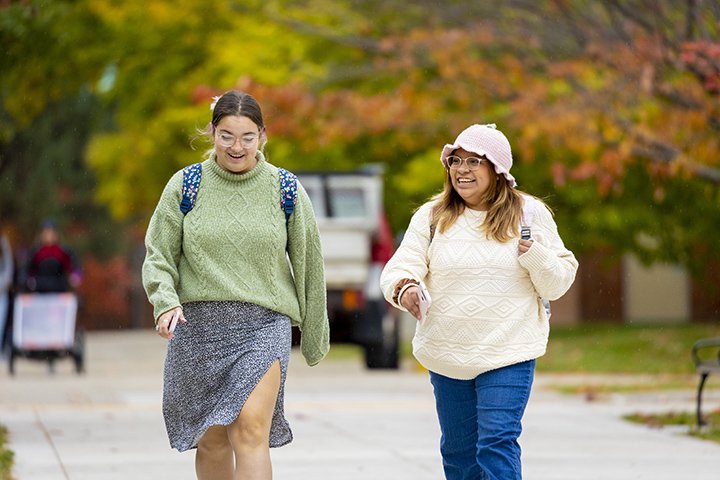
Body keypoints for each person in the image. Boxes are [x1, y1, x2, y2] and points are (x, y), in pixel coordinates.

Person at [142, 90, 329, 480]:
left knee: (249, 429)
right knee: (210, 439)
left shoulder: (285, 189)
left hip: (263, 325)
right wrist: (165, 303)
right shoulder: (185, 186)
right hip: (198, 329)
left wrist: (314, 335)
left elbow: (309, 263)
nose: (237, 146)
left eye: (247, 136)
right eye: (227, 135)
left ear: (262, 135)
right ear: (212, 132)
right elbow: (158, 254)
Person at [380, 123, 578, 480]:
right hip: (448, 351)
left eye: (474, 162)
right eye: (456, 161)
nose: (462, 170)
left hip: (508, 350)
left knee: (497, 441)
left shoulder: (528, 214)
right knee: (459, 453)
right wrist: (406, 287)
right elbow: (401, 265)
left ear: (497, 170)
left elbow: (558, 282)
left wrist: (535, 255)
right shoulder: (431, 216)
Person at [25, 219, 82, 293]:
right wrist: (29, 281)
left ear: (56, 234)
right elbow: (27, 270)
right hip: (39, 292)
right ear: (41, 234)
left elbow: (76, 267)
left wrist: (75, 277)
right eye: (46, 232)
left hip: (60, 290)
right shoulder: (35, 251)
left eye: (51, 232)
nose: (49, 235)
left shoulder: (63, 251)